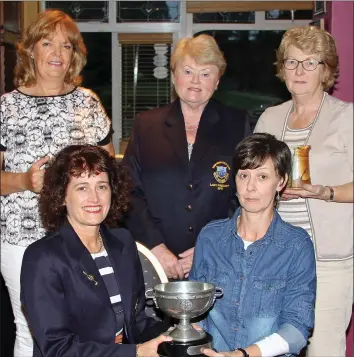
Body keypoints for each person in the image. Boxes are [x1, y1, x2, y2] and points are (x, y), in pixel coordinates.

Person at [0, 10, 114, 356]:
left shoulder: (88, 102)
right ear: (31, 50)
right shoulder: (6, 108)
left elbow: (108, 170)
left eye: (66, 46)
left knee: (85, 323)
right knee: (29, 328)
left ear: (74, 55)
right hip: (21, 235)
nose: (57, 53)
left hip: (81, 234)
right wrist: (24, 180)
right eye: (47, 43)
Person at [254, 26, 353, 357]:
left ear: (326, 70)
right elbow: (253, 182)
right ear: (282, 68)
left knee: (323, 350)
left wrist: (323, 191)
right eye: (292, 62)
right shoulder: (269, 119)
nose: (299, 71)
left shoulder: (346, 117)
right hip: (276, 258)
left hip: (329, 261)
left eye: (310, 63)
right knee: (272, 349)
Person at [20, 145, 171, 357]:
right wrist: (134, 352)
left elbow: (136, 322)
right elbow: (57, 348)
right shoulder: (42, 258)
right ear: (62, 197)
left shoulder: (123, 242)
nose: (95, 198)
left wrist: (177, 332)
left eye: (102, 186)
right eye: (82, 188)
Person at [122, 34, 250, 280]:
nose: (195, 81)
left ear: (217, 81)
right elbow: (128, 191)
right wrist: (156, 247)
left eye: (205, 73)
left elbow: (245, 193)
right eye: (188, 71)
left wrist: (212, 246)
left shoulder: (237, 124)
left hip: (220, 260)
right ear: (174, 75)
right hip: (155, 261)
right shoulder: (146, 125)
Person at [189, 133, 316, 357]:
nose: (250, 187)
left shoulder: (296, 246)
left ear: (282, 182)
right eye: (244, 175)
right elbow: (194, 308)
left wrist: (244, 355)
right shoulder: (211, 237)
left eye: (263, 177)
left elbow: (297, 329)